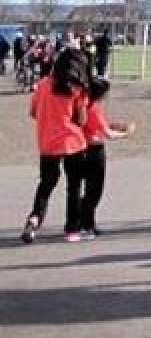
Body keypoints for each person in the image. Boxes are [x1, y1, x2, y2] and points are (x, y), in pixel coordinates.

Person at [21, 48, 91, 243]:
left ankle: (35, 218)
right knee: (74, 186)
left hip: (48, 142)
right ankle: (72, 229)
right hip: (73, 142)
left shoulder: (43, 85)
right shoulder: (77, 89)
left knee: (46, 184)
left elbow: (34, 113)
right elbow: (82, 119)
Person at [77, 77, 130, 239]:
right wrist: (125, 134)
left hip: (80, 149)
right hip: (94, 150)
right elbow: (106, 133)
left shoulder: (83, 105)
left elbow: (101, 126)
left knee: (82, 190)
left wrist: (115, 125)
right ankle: (87, 224)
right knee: (94, 191)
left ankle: (84, 222)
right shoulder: (93, 108)